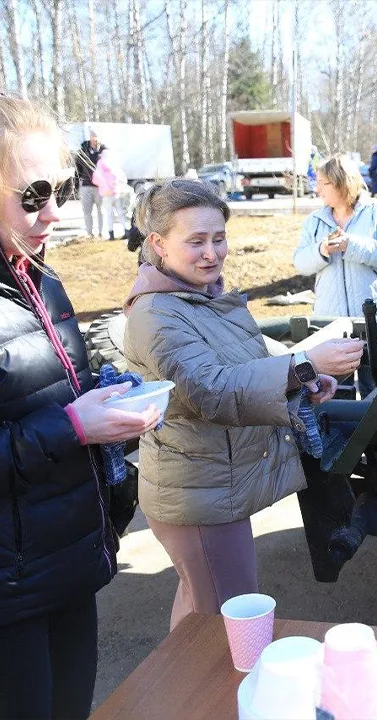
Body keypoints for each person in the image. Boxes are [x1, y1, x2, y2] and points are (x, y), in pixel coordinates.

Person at [122, 179, 365, 632]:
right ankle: (203, 701)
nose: (212, 253)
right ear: (157, 243)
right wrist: (303, 364)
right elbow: (211, 391)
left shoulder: (199, 296)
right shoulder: (157, 314)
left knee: (201, 609)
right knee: (222, 629)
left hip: (209, 489)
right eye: (195, 241)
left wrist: (303, 377)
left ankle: (182, 695)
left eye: (218, 238)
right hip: (200, 499)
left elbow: (247, 359)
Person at [0, 95, 161, 718]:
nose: (54, 211)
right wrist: (72, 425)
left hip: (66, 560)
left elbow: (55, 393)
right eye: (33, 193)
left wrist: (107, 407)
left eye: (63, 188)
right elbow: (55, 421)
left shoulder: (38, 277)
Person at [294, 154, 377, 396]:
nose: (317, 188)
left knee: (375, 389)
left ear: (342, 182)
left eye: (323, 183)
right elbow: (300, 262)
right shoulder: (314, 221)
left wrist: (350, 245)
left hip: (373, 320)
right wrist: (321, 250)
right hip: (330, 322)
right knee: (334, 391)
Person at [92, 147, 129, 241]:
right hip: (116, 192)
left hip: (106, 194)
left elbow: (95, 178)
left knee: (109, 214)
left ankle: (111, 234)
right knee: (121, 212)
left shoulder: (100, 164)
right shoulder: (114, 164)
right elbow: (122, 177)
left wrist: (103, 186)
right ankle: (127, 231)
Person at [76, 129, 104, 238]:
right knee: (87, 211)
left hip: (100, 186)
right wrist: (77, 182)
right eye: (93, 136)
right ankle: (89, 233)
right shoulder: (83, 150)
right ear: (90, 137)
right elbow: (77, 167)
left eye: (96, 137)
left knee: (101, 210)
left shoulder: (103, 151)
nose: (95, 139)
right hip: (86, 185)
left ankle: (101, 232)